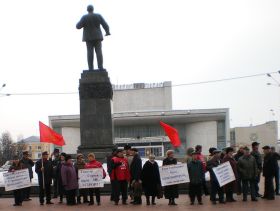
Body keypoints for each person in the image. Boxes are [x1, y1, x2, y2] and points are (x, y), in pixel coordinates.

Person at [76, 5, 110, 70]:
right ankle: (100, 67)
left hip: (88, 38)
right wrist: (107, 32)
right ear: (93, 9)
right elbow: (105, 24)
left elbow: (78, 26)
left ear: (87, 10)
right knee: (99, 51)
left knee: (89, 52)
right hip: (97, 36)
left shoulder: (84, 17)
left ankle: (91, 68)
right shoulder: (98, 16)